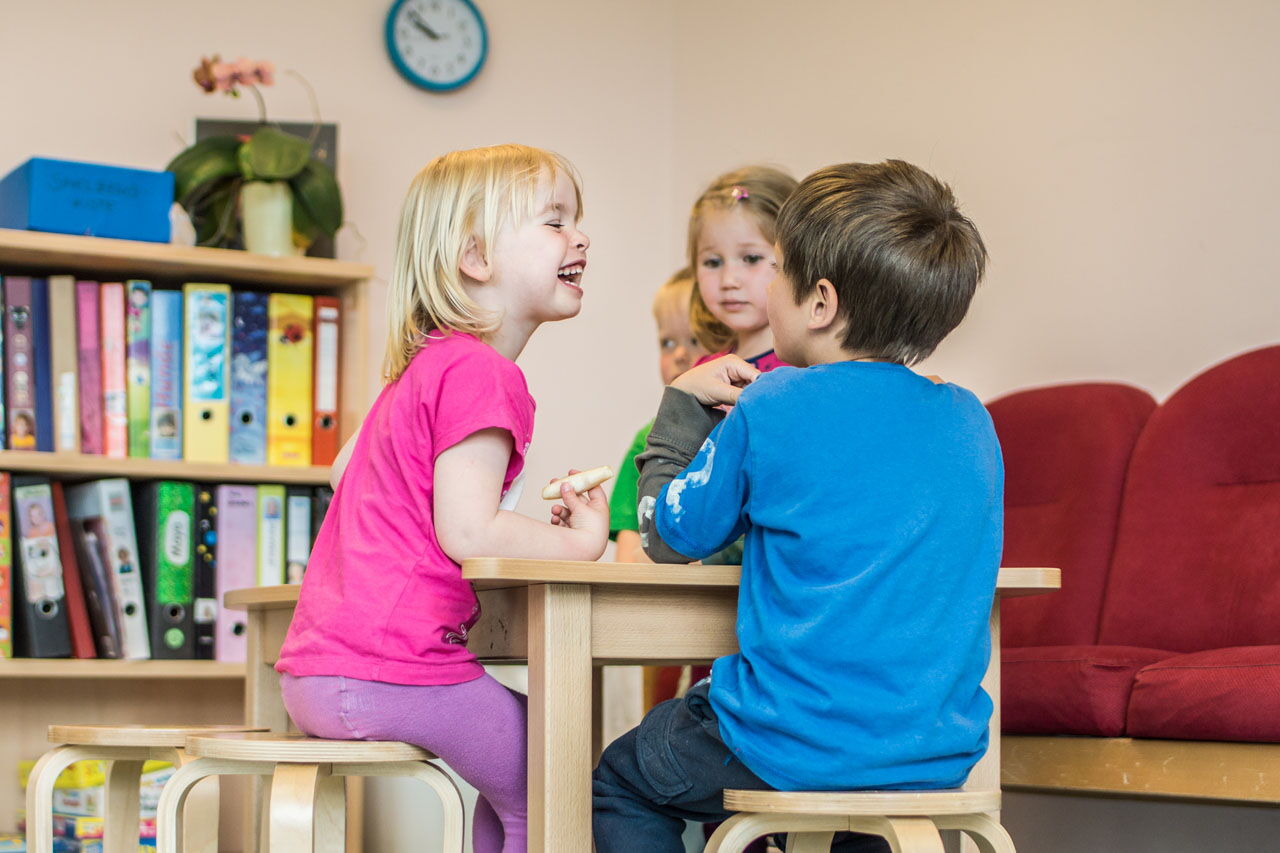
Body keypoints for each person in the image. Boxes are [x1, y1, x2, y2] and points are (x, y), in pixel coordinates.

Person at [591, 159, 1000, 853]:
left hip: (792, 740)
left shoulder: (773, 403)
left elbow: (667, 533)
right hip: (933, 751)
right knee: (855, 806)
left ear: (820, 301)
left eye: (775, 269)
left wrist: (684, 403)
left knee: (622, 779)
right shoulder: (970, 419)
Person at [276, 144, 609, 853]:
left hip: (316, 669)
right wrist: (577, 541)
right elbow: (468, 530)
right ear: (476, 258)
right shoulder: (485, 374)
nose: (580, 236)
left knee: (526, 769)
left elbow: (345, 472)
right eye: (554, 221)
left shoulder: (425, 364)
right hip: (393, 669)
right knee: (558, 763)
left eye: (577, 220)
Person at [610, 268, 707, 564]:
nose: (679, 354)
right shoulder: (649, 440)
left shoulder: (744, 429)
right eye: (667, 342)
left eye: (694, 339)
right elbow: (628, 557)